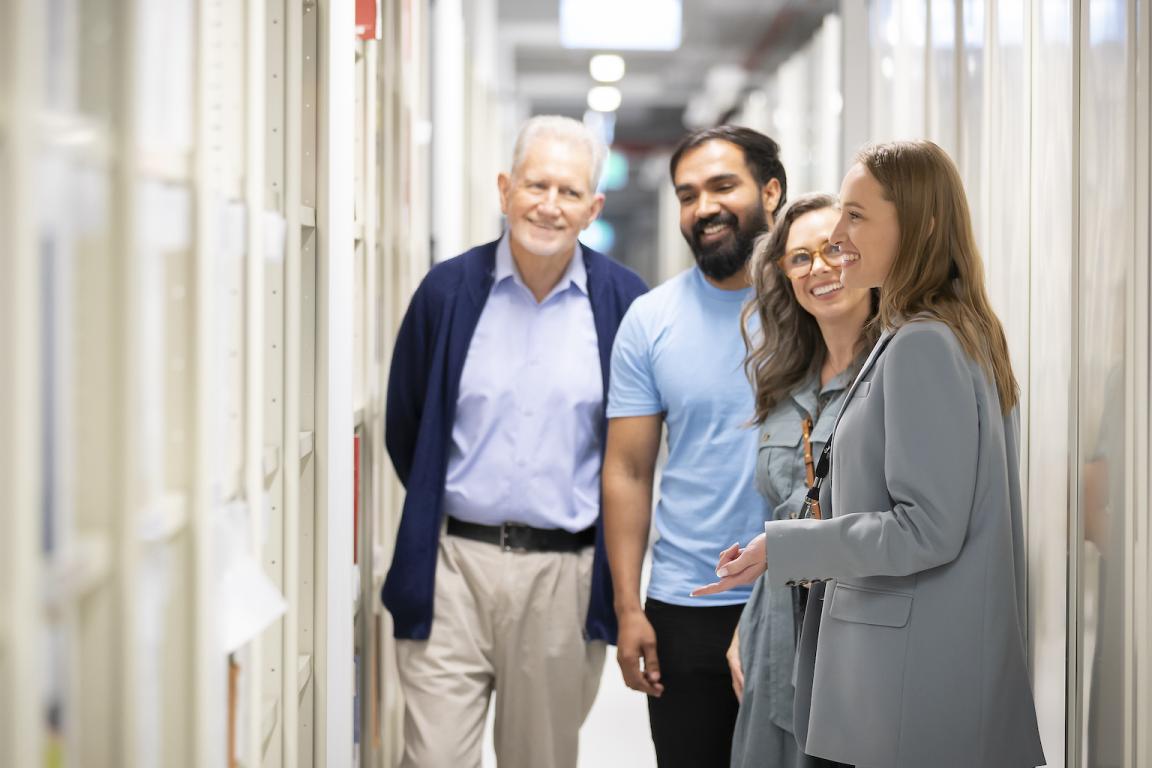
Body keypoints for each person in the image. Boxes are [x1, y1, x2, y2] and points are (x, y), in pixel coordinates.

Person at [693, 140, 1046, 768]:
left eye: (856, 215)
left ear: (922, 225)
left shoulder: (922, 345)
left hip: (911, 685)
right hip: (924, 675)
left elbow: (926, 528)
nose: (838, 232)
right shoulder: (936, 333)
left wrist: (786, 546)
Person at [381, 115, 647, 768]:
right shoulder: (445, 293)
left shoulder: (623, 304)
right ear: (505, 189)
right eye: (536, 185)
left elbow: (633, 456)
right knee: (434, 757)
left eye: (567, 191)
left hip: (562, 576)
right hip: (452, 568)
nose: (549, 206)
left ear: (593, 207)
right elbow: (405, 426)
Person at [602, 125, 786, 767]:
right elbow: (627, 469)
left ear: (771, 192)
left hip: (803, 589)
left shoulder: (817, 307)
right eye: (687, 194)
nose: (703, 206)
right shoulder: (651, 320)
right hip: (687, 603)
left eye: (722, 186)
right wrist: (630, 608)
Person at [729, 193, 877, 768]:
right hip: (774, 635)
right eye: (800, 258)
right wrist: (747, 627)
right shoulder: (783, 382)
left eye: (835, 249)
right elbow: (778, 516)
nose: (819, 268)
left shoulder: (901, 369)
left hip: (858, 632)